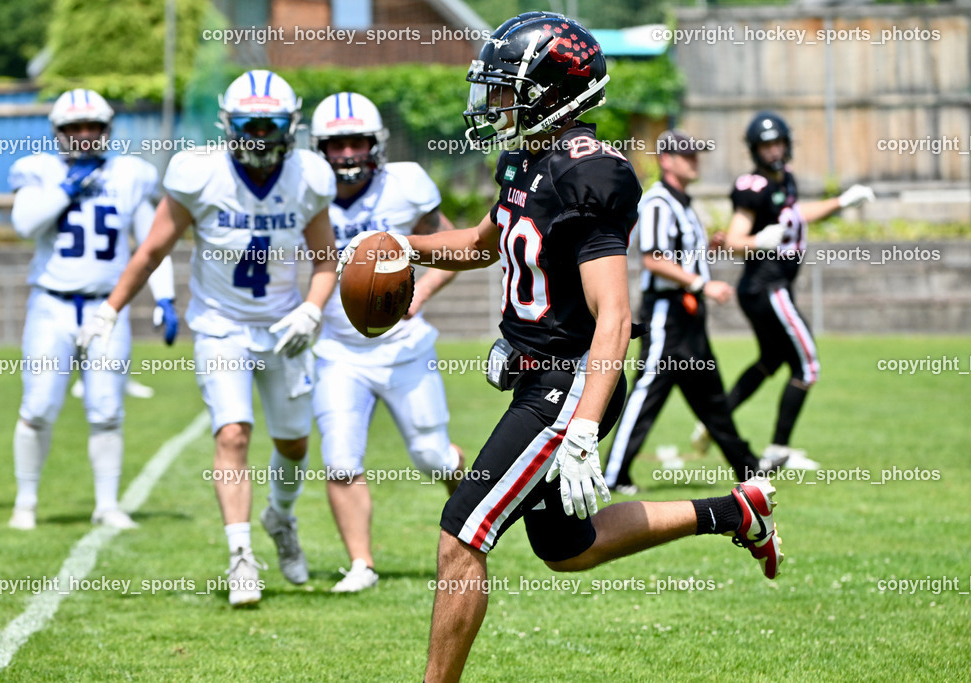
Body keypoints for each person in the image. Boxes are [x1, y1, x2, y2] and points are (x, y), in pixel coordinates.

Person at [338, 14, 784, 680]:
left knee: (462, 531)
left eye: (505, 87)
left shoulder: (590, 172)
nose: (493, 103)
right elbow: (486, 244)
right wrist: (410, 247)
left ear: (550, 91)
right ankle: (735, 510)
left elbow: (613, 315)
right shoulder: (525, 157)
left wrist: (581, 428)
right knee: (567, 546)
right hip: (539, 380)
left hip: (573, 380)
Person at [78, 70, 338, 607]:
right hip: (221, 325)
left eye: (271, 125)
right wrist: (108, 311)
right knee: (233, 434)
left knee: (293, 443)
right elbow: (151, 250)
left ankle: (280, 517)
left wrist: (312, 312)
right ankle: (241, 556)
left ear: (291, 126)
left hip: (284, 324)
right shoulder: (198, 174)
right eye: (250, 125)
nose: (261, 136)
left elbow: (326, 261)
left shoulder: (310, 176)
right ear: (228, 125)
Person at [309, 92, 464, 593]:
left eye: (357, 141)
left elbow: (453, 248)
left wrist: (419, 291)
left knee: (432, 456)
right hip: (337, 347)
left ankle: (477, 524)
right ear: (320, 149)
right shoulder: (303, 191)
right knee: (339, 458)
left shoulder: (406, 186)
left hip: (403, 347)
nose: (348, 153)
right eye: (337, 144)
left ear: (376, 144)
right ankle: (361, 564)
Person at [8, 89, 178, 531]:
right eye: (74, 129)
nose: (84, 136)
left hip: (108, 308)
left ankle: (107, 504)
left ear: (107, 130)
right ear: (58, 133)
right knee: (40, 405)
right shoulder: (39, 171)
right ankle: (25, 501)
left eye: (92, 128)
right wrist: (66, 188)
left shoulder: (129, 174)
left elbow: (153, 245)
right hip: (52, 305)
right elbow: (25, 224)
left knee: (106, 409)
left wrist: (165, 297)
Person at [603, 130, 786, 495]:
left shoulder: (684, 203)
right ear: (665, 160)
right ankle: (612, 474)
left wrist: (712, 250)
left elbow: (684, 259)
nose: (694, 160)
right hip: (666, 314)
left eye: (696, 154)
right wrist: (703, 285)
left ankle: (748, 468)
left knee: (711, 396)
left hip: (690, 316)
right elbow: (654, 260)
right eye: (686, 155)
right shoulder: (658, 202)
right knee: (647, 392)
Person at [705, 111, 874, 469]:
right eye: (766, 145)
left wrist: (842, 202)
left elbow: (797, 214)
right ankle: (778, 450)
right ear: (755, 149)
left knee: (771, 360)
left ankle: (714, 420)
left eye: (778, 142)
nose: (773, 150)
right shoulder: (755, 186)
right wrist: (757, 241)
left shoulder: (785, 180)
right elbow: (733, 239)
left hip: (771, 289)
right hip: (769, 288)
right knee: (808, 366)